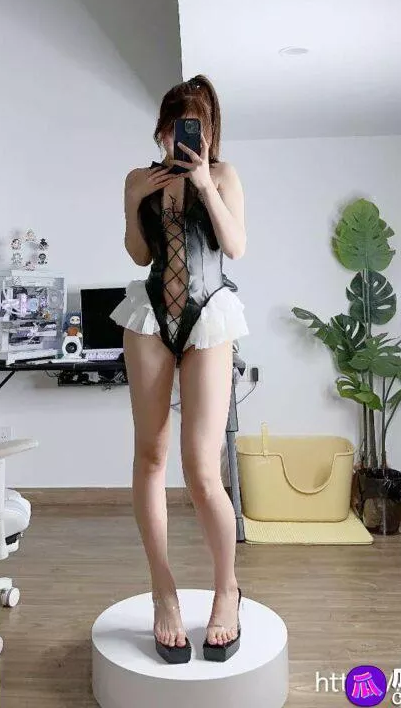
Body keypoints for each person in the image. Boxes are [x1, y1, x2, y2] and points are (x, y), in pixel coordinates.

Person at [110, 74, 249, 664]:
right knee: (149, 457)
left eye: (195, 126)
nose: (183, 135)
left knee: (201, 469)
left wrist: (204, 184)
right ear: (162, 128)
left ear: (209, 132)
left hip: (208, 315)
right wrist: (133, 200)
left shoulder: (223, 175)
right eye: (174, 125)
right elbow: (140, 253)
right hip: (149, 319)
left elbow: (235, 246)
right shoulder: (139, 179)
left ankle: (227, 590)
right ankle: (163, 590)